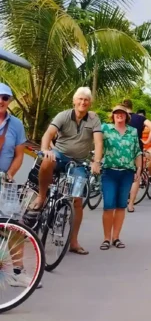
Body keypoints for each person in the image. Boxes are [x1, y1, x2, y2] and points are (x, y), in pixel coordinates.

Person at [37, 87, 103, 255]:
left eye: (86, 100)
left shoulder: (94, 119)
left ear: (90, 103)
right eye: (80, 99)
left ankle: (73, 241)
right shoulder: (64, 115)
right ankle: (41, 196)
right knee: (46, 161)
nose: (83, 102)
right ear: (74, 101)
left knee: (77, 201)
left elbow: (98, 142)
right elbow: (48, 134)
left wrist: (96, 162)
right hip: (59, 155)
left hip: (79, 162)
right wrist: (46, 150)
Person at [0, 83, 42, 288]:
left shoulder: (15, 124)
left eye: (5, 98)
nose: (0, 101)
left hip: (5, 182)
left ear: (9, 101)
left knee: (14, 227)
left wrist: (9, 174)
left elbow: (19, 155)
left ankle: (17, 272)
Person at [100, 105, 142, 250]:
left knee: (121, 206)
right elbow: (95, 140)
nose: (119, 115)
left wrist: (139, 169)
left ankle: (116, 237)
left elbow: (137, 151)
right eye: (116, 113)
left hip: (127, 172)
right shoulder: (105, 128)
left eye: (122, 113)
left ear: (126, 116)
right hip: (109, 171)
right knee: (108, 205)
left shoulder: (133, 132)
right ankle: (106, 238)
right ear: (112, 116)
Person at [122, 100, 151, 213]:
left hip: (121, 149)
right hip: (137, 149)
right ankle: (131, 205)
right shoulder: (140, 118)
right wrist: (147, 141)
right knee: (136, 177)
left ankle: (121, 200)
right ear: (132, 107)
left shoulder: (120, 116)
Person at [137, 109, 151, 178]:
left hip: (148, 147)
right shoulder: (134, 126)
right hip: (138, 147)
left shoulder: (149, 127)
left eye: (142, 117)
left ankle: (150, 175)